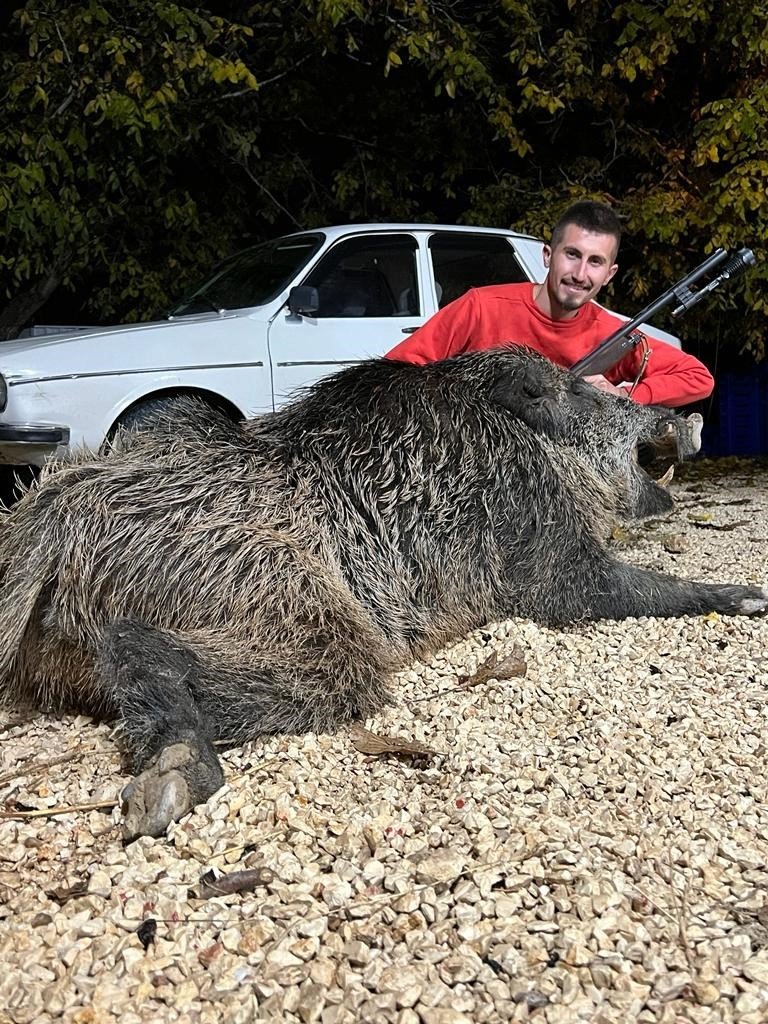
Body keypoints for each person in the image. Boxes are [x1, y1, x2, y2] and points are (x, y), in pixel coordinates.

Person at [385, 201, 714, 407]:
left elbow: (698, 377)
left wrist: (625, 395)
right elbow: (394, 370)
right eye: (572, 255)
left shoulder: (612, 334)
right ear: (548, 255)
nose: (580, 274)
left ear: (609, 274)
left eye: (595, 262)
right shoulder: (481, 306)